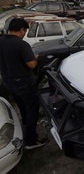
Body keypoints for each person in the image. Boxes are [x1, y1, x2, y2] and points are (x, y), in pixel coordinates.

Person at [0, 18, 46, 150]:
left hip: (8, 81)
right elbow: (31, 65)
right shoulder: (21, 44)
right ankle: (31, 141)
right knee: (32, 108)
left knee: (22, 105)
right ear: (21, 30)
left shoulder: (1, 40)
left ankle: (26, 123)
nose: (25, 33)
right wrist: (35, 58)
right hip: (23, 83)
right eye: (25, 30)